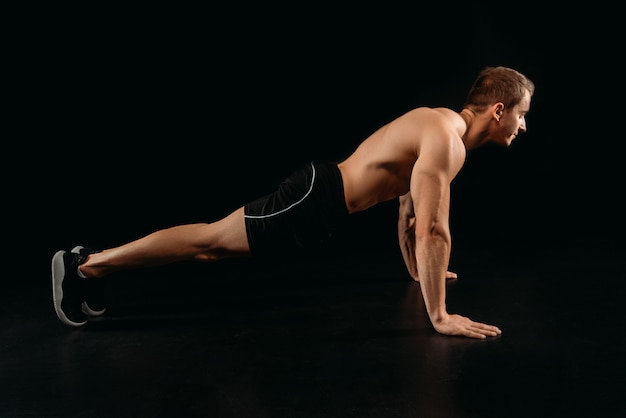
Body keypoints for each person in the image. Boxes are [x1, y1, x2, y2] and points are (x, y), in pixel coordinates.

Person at [52, 66, 534, 339]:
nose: (523, 125)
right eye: (521, 114)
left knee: (210, 242)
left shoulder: (439, 126)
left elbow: (409, 209)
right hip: (315, 199)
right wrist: (440, 315)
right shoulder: (446, 141)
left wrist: (417, 273)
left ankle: (92, 267)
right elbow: (433, 229)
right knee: (208, 243)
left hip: (320, 200)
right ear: (498, 110)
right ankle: (85, 268)